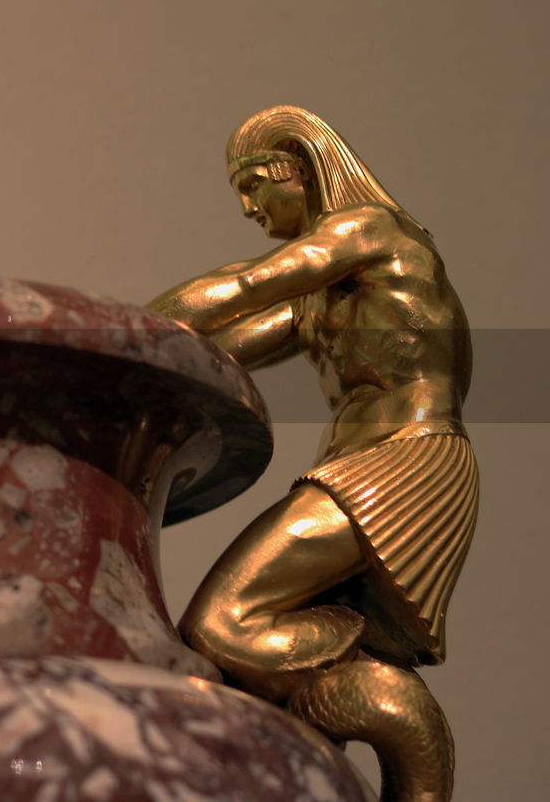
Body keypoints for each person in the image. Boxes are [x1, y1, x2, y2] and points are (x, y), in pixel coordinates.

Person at [148, 105, 476, 801]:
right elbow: (216, 353)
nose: (247, 207)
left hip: (401, 463)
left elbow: (244, 286)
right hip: (365, 466)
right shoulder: (325, 297)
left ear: (298, 169)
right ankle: (374, 715)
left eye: (254, 185)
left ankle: (382, 699)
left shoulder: (371, 233)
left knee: (217, 625)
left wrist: (123, 331)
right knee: (225, 647)